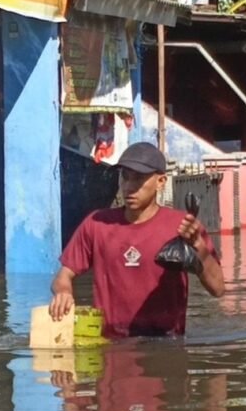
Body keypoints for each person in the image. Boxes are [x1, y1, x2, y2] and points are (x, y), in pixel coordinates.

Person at [49, 142, 225, 338]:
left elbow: (218, 289)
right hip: (112, 345)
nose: (129, 187)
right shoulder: (97, 224)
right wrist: (63, 291)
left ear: (161, 182)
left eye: (139, 179)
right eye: (125, 177)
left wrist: (198, 246)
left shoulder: (183, 227)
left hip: (165, 345)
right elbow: (63, 276)